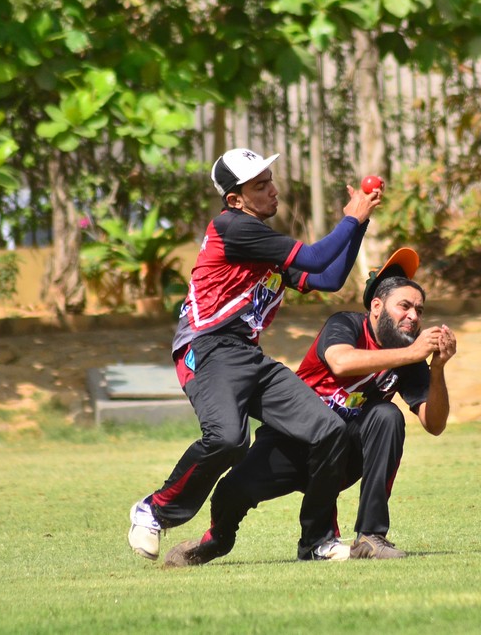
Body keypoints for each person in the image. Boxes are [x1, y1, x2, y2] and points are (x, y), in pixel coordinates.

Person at [127, 148, 381, 564]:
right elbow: (316, 256)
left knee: (328, 429)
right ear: (235, 199)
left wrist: (361, 222)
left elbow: (329, 277)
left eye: (270, 181)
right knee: (228, 439)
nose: (272, 190)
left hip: (248, 355)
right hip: (207, 349)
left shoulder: (264, 245)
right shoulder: (232, 227)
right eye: (260, 186)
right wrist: (351, 217)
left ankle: (317, 541)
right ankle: (153, 510)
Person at [166, 247, 457, 566]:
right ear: (376, 306)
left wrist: (437, 369)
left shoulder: (408, 357)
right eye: (405, 306)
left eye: (419, 310)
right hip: (289, 441)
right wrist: (413, 353)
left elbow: (435, 424)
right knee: (232, 491)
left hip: (339, 455)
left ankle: (369, 537)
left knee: (387, 416)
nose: (414, 316)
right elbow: (341, 361)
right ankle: (214, 542)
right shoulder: (346, 324)